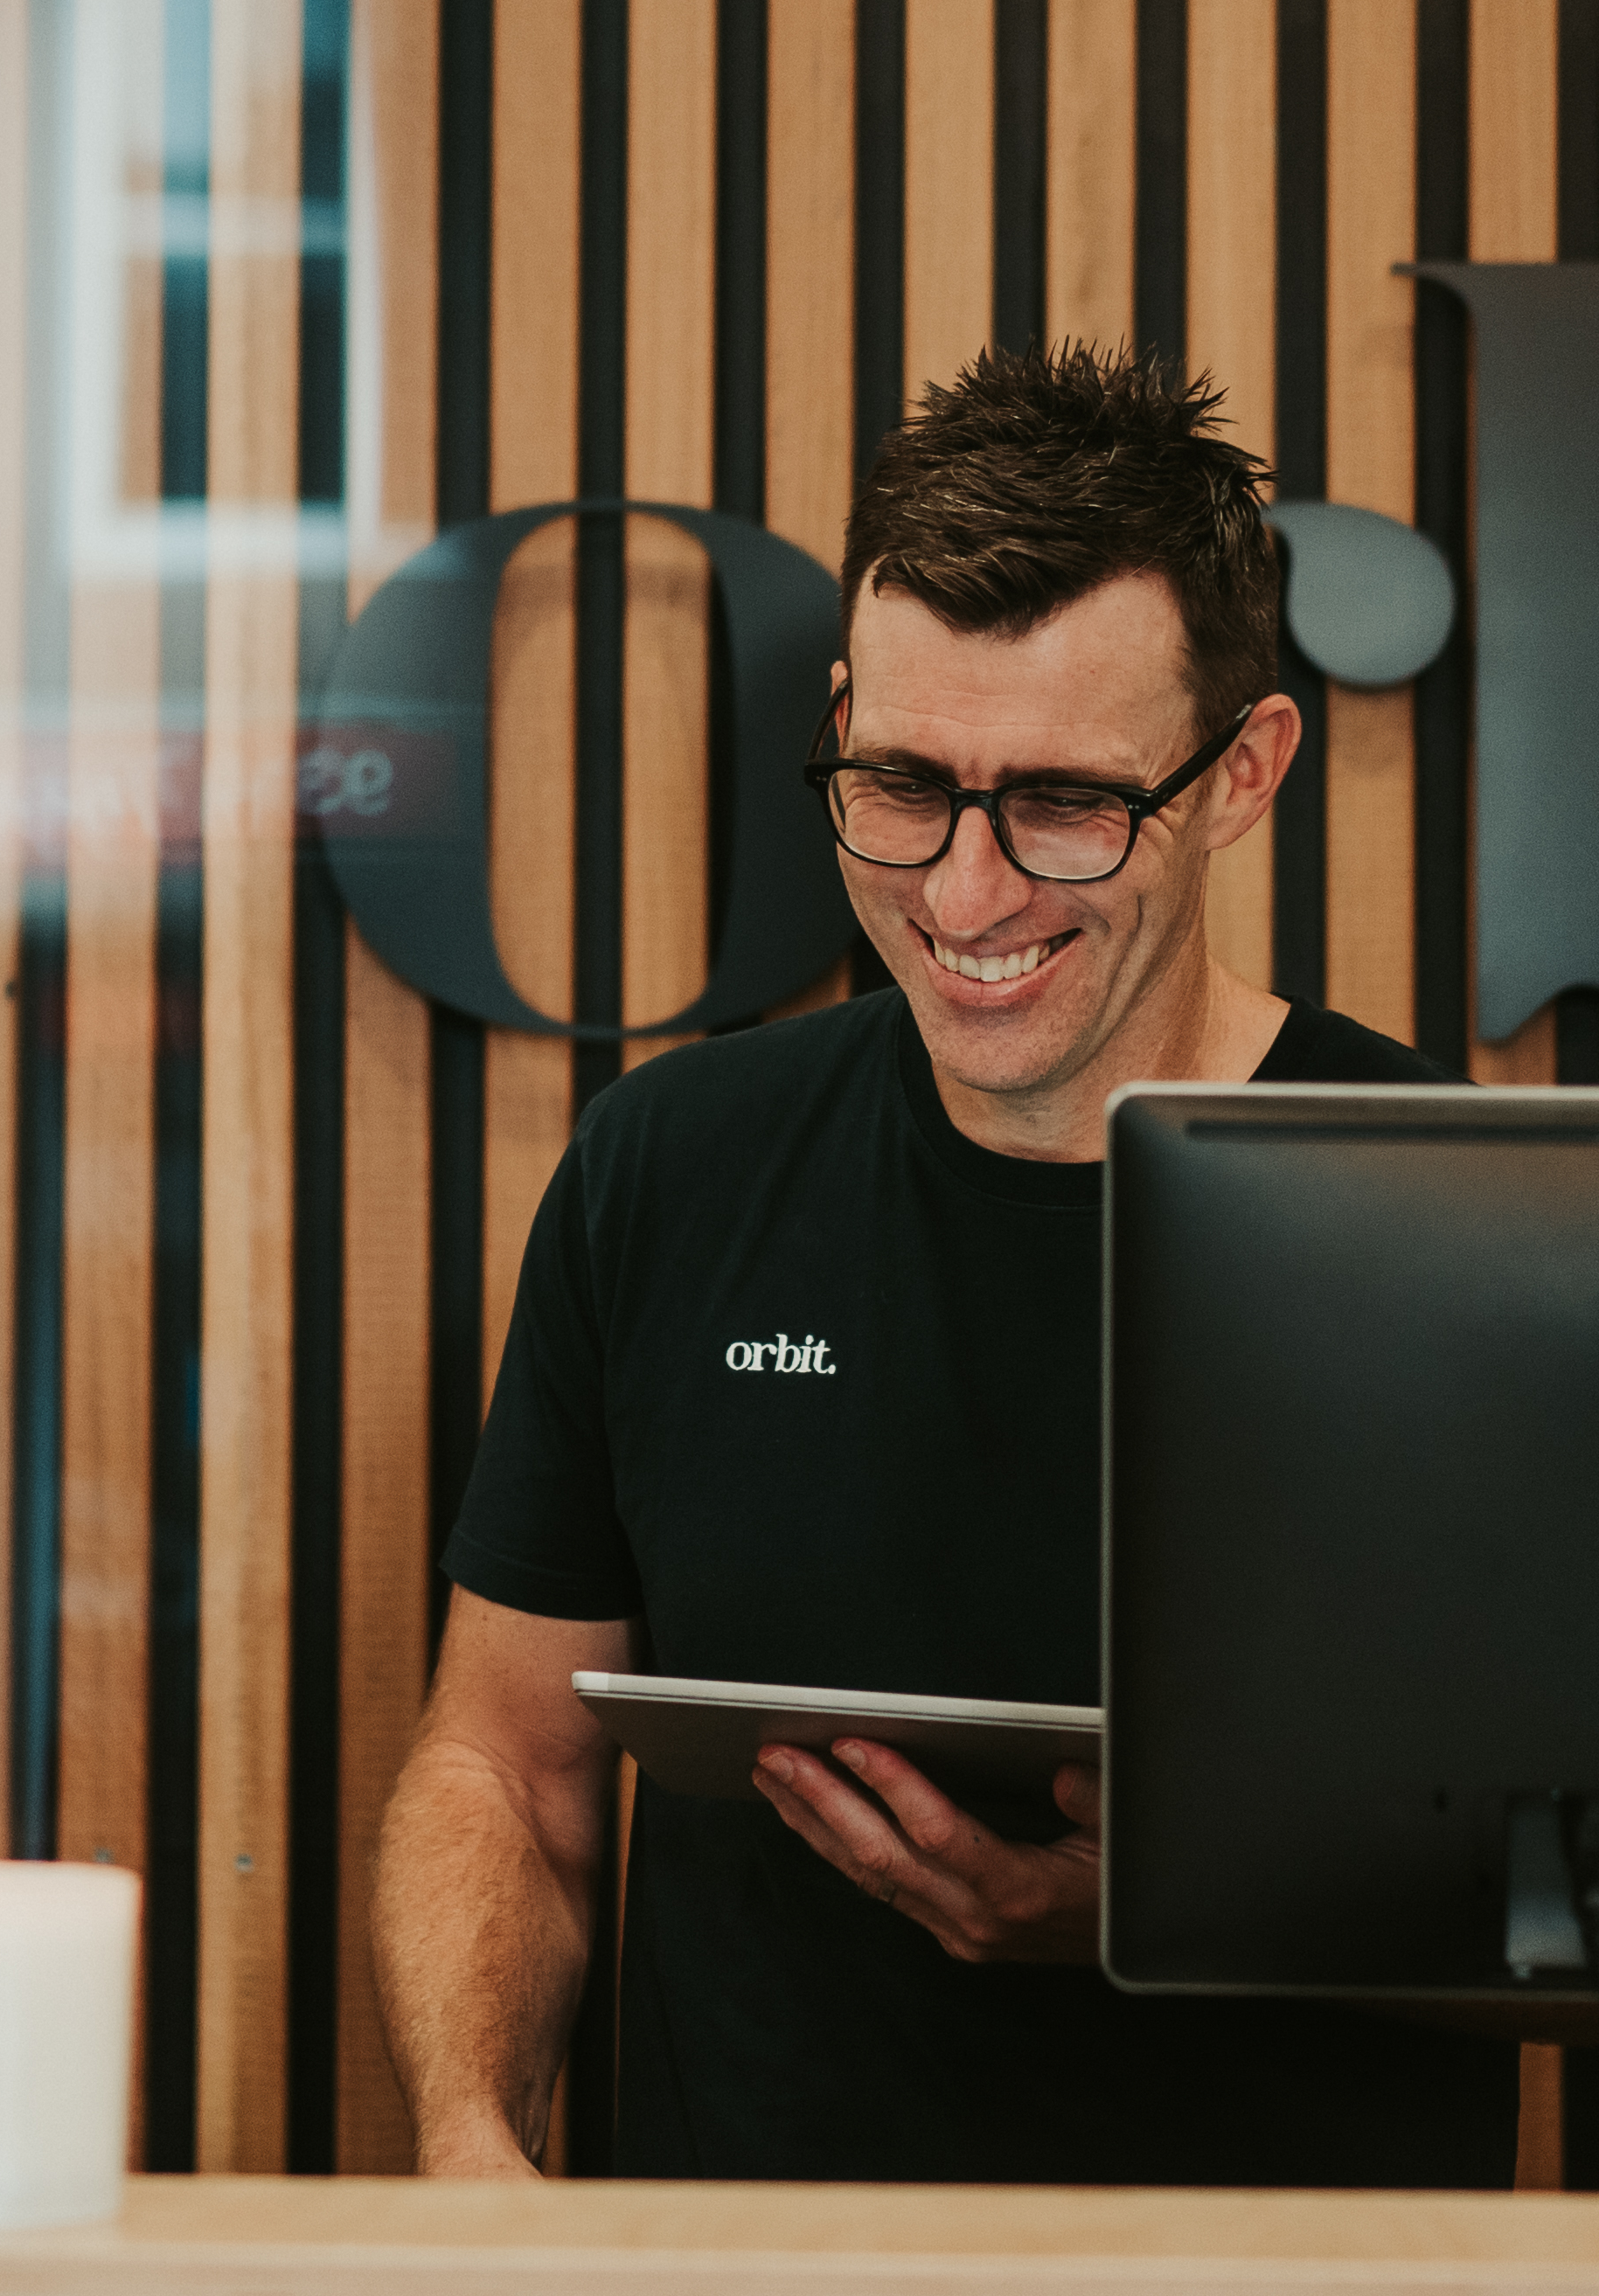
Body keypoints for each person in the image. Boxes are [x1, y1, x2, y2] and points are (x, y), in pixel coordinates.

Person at [369, 342, 1512, 2188]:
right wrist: (469, 2136)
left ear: (1246, 773)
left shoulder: (1468, 1217)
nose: (965, 894)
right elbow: (507, 1767)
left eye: (1067, 803)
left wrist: (1159, 1909)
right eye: (902, 779)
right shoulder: (671, 1170)